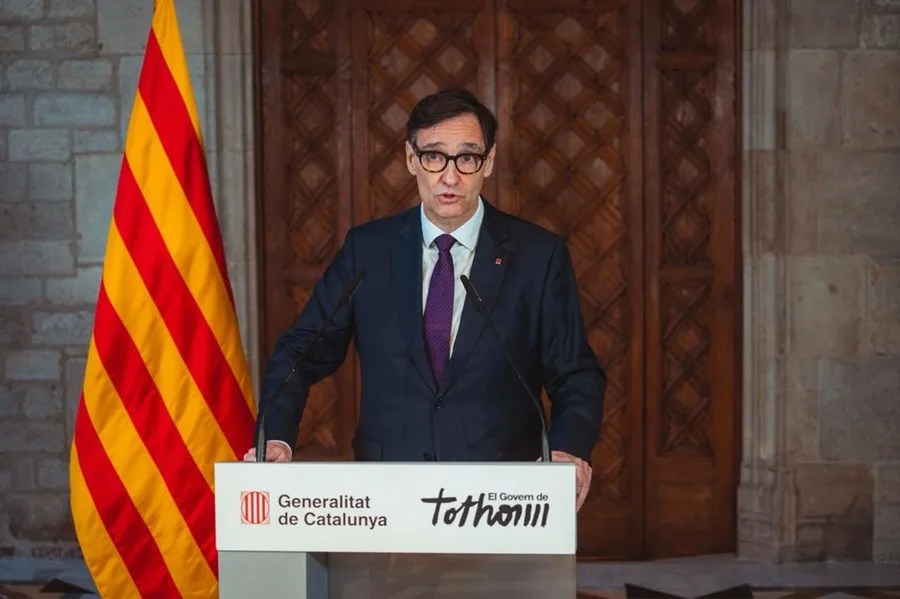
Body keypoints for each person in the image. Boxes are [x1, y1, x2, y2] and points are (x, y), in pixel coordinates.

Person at [243, 88, 605, 510]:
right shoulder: (368, 251)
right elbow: (301, 351)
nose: (449, 177)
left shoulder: (537, 255)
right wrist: (278, 436)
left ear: (488, 161)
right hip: (388, 496)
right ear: (411, 159)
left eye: (466, 158)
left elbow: (576, 373)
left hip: (504, 499)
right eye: (434, 156)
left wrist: (566, 449)